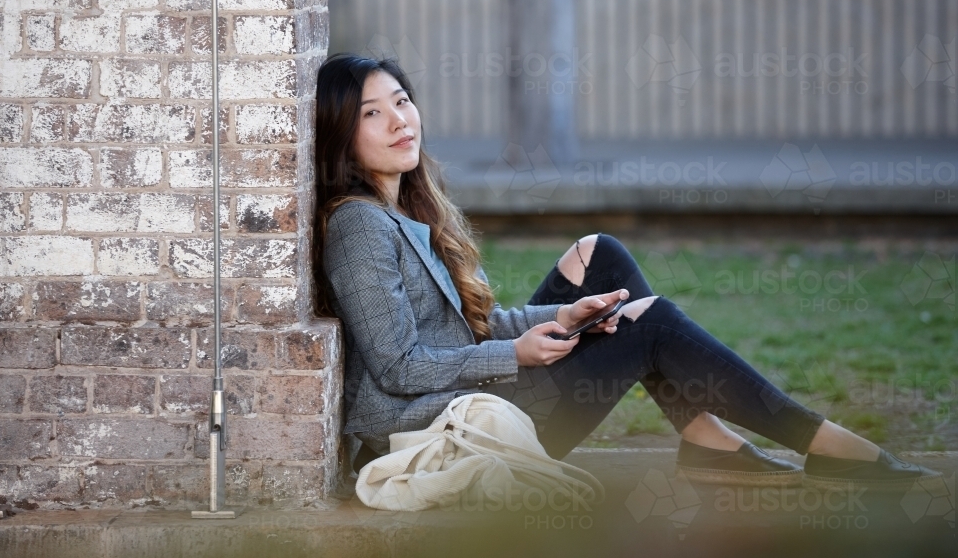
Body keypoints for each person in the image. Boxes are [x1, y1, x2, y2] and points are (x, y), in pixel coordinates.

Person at [311, 52, 941, 492]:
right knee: (651, 323)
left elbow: (456, 329)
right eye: (372, 113)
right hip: (437, 429)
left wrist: (558, 318)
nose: (399, 120)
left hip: (463, 391)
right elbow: (397, 368)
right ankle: (823, 444)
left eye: (401, 100)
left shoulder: (399, 210)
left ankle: (707, 440)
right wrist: (515, 356)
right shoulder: (360, 225)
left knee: (599, 256)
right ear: (343, 132)